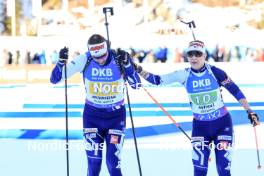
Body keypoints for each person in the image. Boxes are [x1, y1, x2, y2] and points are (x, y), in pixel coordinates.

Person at [135, 40, 260, 176]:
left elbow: (235, 90)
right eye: (190, 54)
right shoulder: (184, 74)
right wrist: (137, 69)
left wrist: (250, 111)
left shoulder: (216, 73)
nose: (194, 57)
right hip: (200, 128)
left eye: (198, 54)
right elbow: (157, 80)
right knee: (199, 171)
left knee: (223, 169)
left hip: (222, 124)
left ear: (204, 55)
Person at [50, 34, 141, 176]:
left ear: (107, 49)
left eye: (103, 55)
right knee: (94, 163)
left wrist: (128, 65)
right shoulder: (84, 60)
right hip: (92, 117)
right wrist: (61, 61)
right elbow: (55, 79)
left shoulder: (118, 59)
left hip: (115, 118)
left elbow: (137, 84)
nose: (100, 60)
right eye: (96, 57)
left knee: (112, 162)